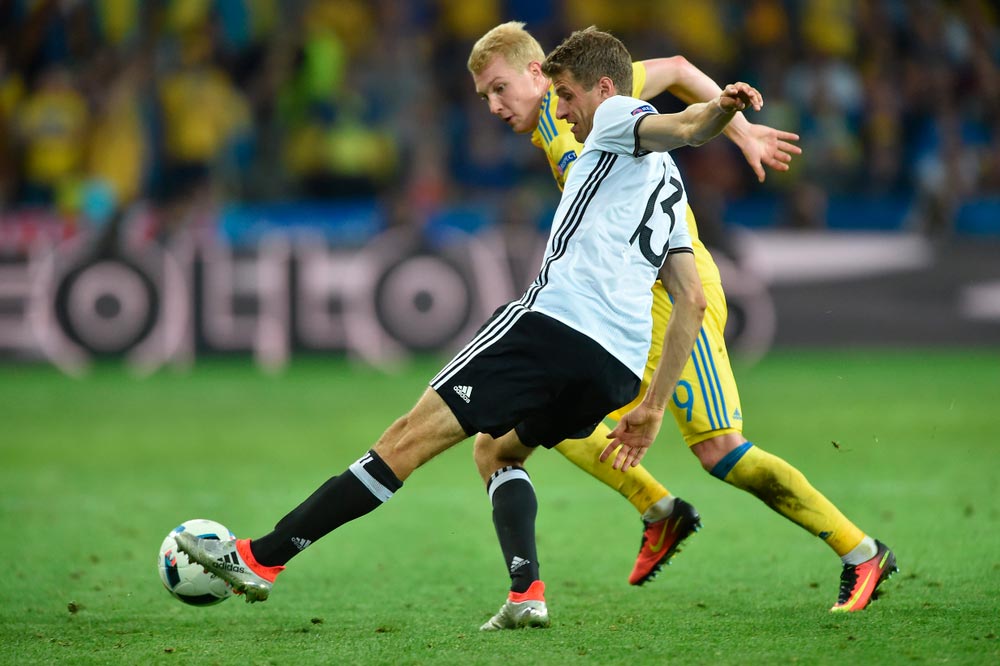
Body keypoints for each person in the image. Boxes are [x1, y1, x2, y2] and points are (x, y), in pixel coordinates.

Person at [173, 26, 754, 630]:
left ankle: (261, 558)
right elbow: (690, 302)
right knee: (497, 450)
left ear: (605, 90)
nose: (559, 111)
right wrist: (653, 407)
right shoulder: (668, 187)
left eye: (564, 96)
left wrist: (719, 110)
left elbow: (687, 125)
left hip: (556, 327)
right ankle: (526, 592)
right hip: (618, 370)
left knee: (405, 440)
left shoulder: (612, 118)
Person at [467, 22, 896, 612]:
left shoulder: (598, 102)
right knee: (546, 417)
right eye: (484, 96)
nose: (493, 106)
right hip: (625, 301)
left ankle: (861, 551)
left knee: (720, 451)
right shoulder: (560, 116)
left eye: (499, 88)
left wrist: (740, 130)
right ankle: (658, 509)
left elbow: (677, 71)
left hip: (676, 290)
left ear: (537, 73)